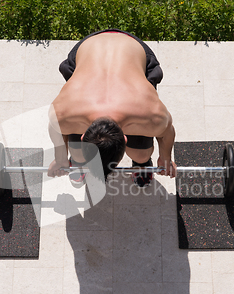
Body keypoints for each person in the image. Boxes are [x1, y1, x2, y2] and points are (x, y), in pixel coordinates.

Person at [48, 29, 177, 187]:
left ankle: (140, 163)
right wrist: (60, 156)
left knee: (141, 154)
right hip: (89, 50)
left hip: (133, 49)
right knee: (77, 153)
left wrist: (165, 157)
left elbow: (167, 131)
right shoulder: (62, 114)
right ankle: (77, 159)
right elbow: (55, 128)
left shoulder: (151, 114)